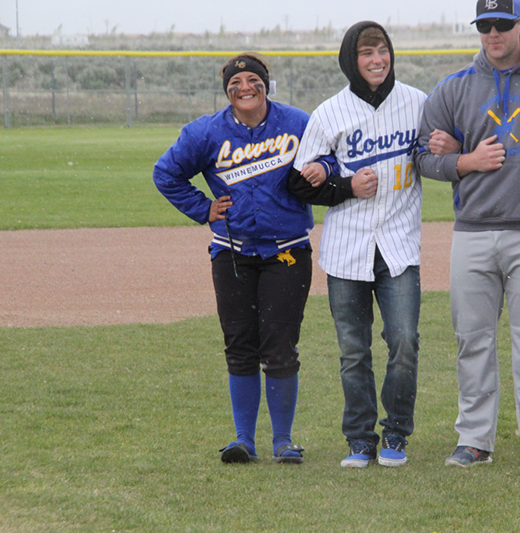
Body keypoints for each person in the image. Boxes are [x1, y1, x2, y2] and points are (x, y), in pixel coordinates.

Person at [415, 0, 520, 468]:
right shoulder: (454, 88)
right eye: (485, 25)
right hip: (471, 231)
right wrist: (464, 162)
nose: (493, 33)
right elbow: (422, 156)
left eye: (502, 24)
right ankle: (474, 440)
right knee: (472, 339)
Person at [153, 53, 328, 465]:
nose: (245, 88)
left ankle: (283, 441)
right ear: (227, 91)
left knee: (281, 347)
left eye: (253, 80)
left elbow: (331, 157)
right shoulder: (207, 132)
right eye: (236, 83)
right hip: (232, 252)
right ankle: (243, 440)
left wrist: (321, 166)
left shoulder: (299, 123)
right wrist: (204, 208)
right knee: (240, 346)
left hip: (287, 249)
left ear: (266, 84)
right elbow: (166, 173)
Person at [289, 21, 428, 468]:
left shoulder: (417, 103)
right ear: (352, 59)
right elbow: (297, 181)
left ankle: (396, 434)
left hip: (399, 244)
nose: (376, 59)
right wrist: (346, 185)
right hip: (347, 247)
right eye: (367, 52)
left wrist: (446, 147)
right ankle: (359, 439)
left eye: (382, 50)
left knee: (404, 340)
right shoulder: (330, 112)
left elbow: (435, 155)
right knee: (354, 350)